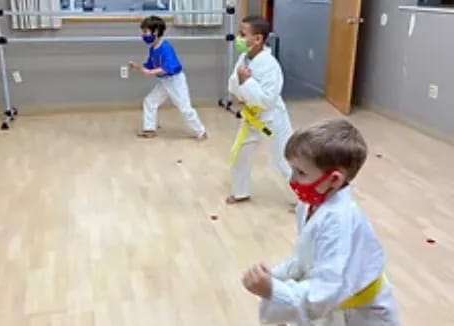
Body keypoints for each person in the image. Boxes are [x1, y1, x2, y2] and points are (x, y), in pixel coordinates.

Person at [241, 119, 400, 326]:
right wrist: (275, 276)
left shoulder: (338, 221)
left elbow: (325, 291)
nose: (292, 180)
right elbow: (304, 257)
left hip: (363, 316)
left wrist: (275, 290)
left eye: (301, 173)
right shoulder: (310, 204)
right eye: (292, 170)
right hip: (335, 307)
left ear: (334, 180)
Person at [226, 15, 294, 205]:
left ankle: (305, 200)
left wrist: (247, 82)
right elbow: (233, 87)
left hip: (271, 118)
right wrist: (242, 83)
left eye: (242, 34)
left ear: (258, 39)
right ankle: (241, 192)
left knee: (284, 158)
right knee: (240, 154)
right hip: (251, 117)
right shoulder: (244, 58)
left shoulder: (270, 65)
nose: (238, 38)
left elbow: (266, 99)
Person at [129, 15, 207, 140]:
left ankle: (201, 132)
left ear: (155, 32)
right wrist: (139, 67)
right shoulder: (153, 48)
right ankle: (149, 129)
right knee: (150, 101)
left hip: (175, 81)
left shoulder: (166, 48)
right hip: (164, 81)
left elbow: (170, 67)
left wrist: (152, 71)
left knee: (185, 108)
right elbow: (150, 65)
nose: (143, 35)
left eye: (145, 32)